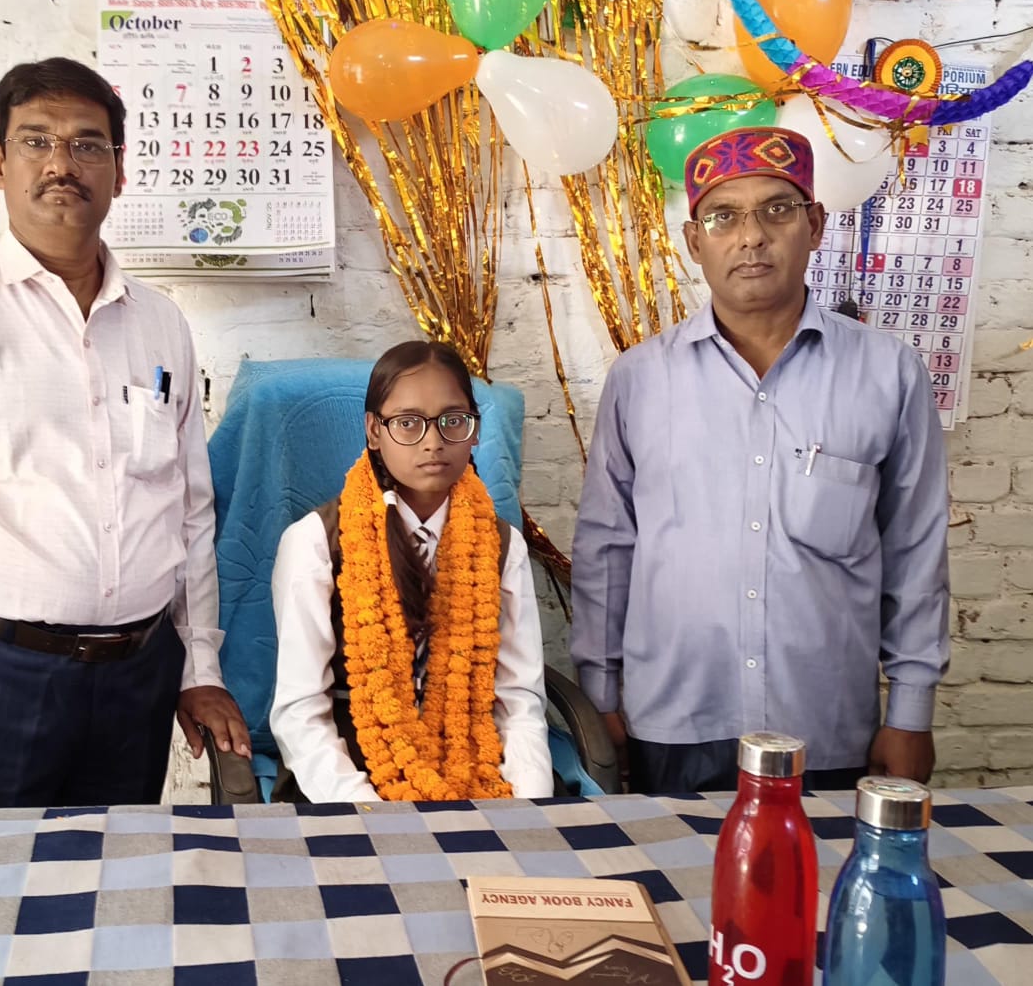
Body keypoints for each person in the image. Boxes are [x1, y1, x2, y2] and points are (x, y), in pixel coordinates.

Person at [0, 57, 249, 811]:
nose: (62, 163)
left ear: (119, 172)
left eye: (87, 144)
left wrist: (199, 669)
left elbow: (190, 511)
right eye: (36, 140)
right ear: (0, 163)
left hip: (138, 677)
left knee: (120, 873)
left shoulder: (161, 323)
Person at [570, 126, 949, 794]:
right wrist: (599, 692)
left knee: (824, 866)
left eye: (777, 210)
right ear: (695, 242)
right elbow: (607, 545)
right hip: (675, 718)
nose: (751, 237)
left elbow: (915, 549)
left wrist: (911, 711)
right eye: (724, 216)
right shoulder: (641, 379)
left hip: (826, 722)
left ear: (815, 225)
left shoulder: (887, 373)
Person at [270, 341, 553, 802]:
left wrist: (528, 807)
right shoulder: (315, 542)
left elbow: (518, 700)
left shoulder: (501, 544)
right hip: (350, 774)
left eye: (453, 420)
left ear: (475, 431)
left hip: (473, 762)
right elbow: (300, 715)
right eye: (408, 423)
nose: (433, 441)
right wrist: (371, 813)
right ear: (373, 430)